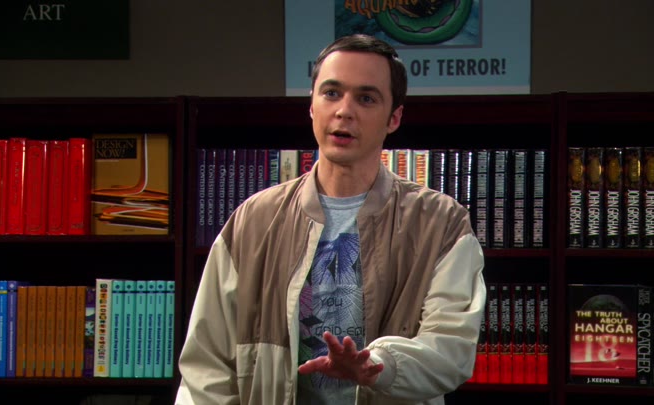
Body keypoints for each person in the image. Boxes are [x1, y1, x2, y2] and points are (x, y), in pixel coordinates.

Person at [175, 33, 486, 405]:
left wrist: (380, 365)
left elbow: (451, 350)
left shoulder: (441, 224)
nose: (344, 111)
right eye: (332, 93)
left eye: (366, 98)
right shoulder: (253, 221)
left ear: (394, 118)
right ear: (312, 106)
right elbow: (206, 368)